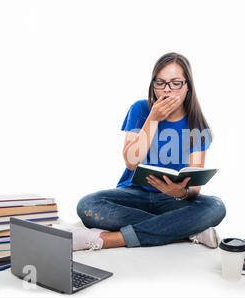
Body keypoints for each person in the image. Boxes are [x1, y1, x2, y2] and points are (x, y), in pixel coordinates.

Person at [73, 52, 226, 251]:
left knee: (216, 207)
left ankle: (111, 239)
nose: (167, 90)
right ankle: (188, 230)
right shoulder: (140, 109)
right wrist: (153, 118)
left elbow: (195, 187)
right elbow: (130, 161)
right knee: (88, 205)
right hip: (132, 196)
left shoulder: (197, 126)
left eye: (175, 83)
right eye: (160, 83)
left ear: (188, 86)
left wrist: (181, 193)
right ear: (153, 85)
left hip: (171, 200)